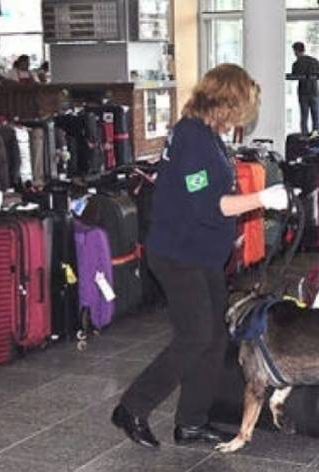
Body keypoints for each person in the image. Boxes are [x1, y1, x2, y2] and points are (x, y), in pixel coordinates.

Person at [111, 64, 291, 448]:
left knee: (212, 337)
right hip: (179, 254)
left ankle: (191, 421)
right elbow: (209, 205)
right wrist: (261, 199)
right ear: (227, 102)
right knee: (195, 336)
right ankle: (132, 407)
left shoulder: (201, 133)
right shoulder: (194, 138)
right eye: (243, 107)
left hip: (200, 252)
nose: (244, 117)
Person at [291, 42, 319, 135]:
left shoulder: (297, 63)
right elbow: (318, 74)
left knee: (304, 116)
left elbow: (294, 76)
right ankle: (316, 135)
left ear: (296, 51)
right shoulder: (314, 61)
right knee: (315, 116)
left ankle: (304, 137)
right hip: (314, 90)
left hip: (303, 91)